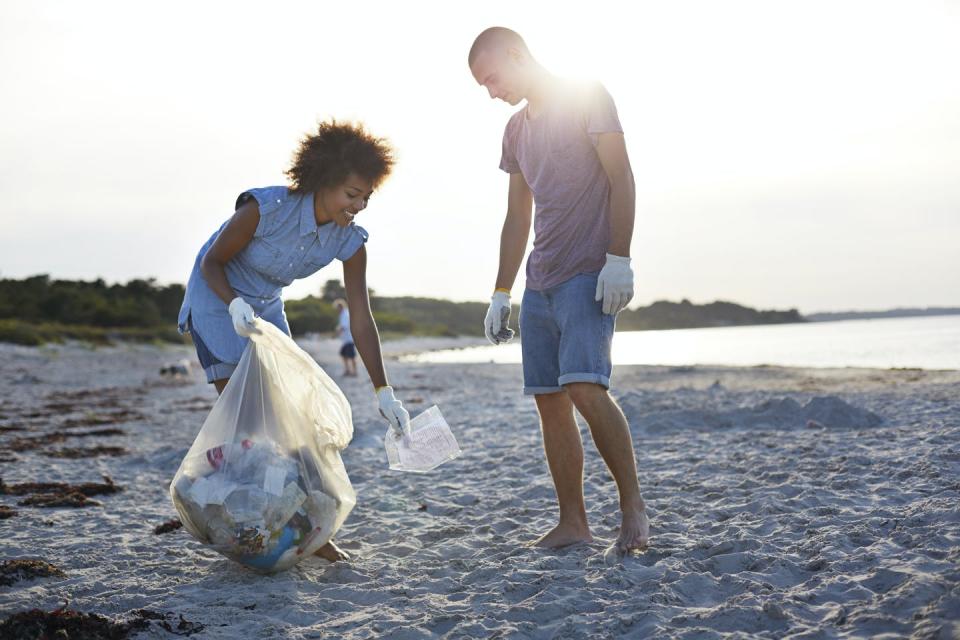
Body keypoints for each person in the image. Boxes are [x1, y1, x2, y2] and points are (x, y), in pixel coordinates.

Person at [177, 119, 411, 562]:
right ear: (323, 181)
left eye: (366, 196)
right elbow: (212, 263)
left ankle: (304, 528)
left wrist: (385, 391)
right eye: (351, 194)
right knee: (250, 424)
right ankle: (239, 516)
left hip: (264, 305)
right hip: (215, 296)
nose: (359, 205)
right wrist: (232, 305)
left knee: (290, 419)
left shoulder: (350, 240)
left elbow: (361, 318)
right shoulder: (265, 209)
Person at [468, 27, 650, 553]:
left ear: (517, 55)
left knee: (586, 389)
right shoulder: (515, 131)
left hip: (587, 273)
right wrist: (502, 291)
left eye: (492, 78)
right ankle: (573, 522)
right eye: (482, 85)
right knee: (550, 402)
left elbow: (622, 177)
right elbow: (517, 215)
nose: (491, 91)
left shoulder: (587, 96)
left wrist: (620, 259)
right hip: (540, 282)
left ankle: (632, 506)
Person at [333, 298, 358, 377]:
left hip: (349, 339)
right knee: (343, 354)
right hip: (346, 340)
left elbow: (343, 327)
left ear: (340, 307)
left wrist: (336, 334)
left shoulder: (345, 314)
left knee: (352, 356)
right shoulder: (343, 314)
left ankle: (354, 372)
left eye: (337, 308)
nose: (337, 310)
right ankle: (348, 370)